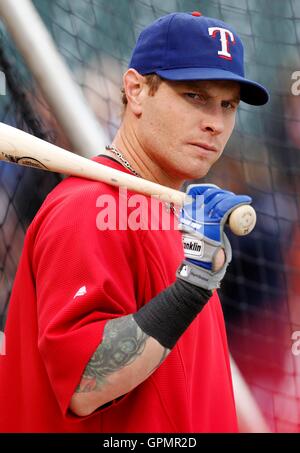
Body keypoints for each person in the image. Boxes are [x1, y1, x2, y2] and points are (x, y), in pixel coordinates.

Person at [0, 11, 268, 432]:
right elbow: (84, 383)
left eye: (227, 104)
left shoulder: (166, 212)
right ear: (137, 90)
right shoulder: (87, 208)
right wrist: (193, 285)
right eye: (194, 96)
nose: (215, 122)